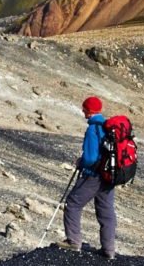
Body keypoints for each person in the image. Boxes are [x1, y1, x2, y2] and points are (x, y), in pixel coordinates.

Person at [55, 96, 117, 260]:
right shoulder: (108, 127)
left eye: (84, 109)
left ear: (88, 110)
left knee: (73, 204)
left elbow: (90, 158)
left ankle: (73, 241)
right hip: (109, 176)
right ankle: (109, 250)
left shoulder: (92, 129)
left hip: (93, 176)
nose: (82, 111)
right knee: (106, 212)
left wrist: (81, 162)